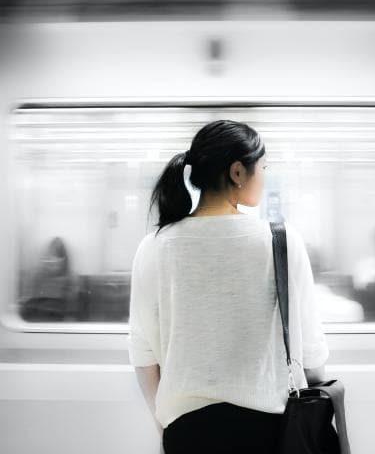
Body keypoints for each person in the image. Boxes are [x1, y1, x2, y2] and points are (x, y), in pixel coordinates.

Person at [126, 119, 330, 454]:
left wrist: (165, 426)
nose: (264, 176)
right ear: (237, 172)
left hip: (186, 434)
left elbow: (143, 353)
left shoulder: (154, 246)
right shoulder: (282, 240)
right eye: (262, 167)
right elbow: (310, 351)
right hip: (270, 432)